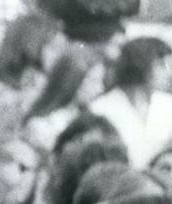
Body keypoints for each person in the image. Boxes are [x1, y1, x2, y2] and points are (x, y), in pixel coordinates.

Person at [89, 37, 172, 168]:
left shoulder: (168, 105)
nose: (169, 73)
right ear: (140, 65)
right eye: (161, 65)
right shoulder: (101, 109)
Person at [22, 44, 107, 153]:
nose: (100, 88)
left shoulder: (88, 121)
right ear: (73, 81)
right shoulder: (42, 126)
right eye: (94, 81)